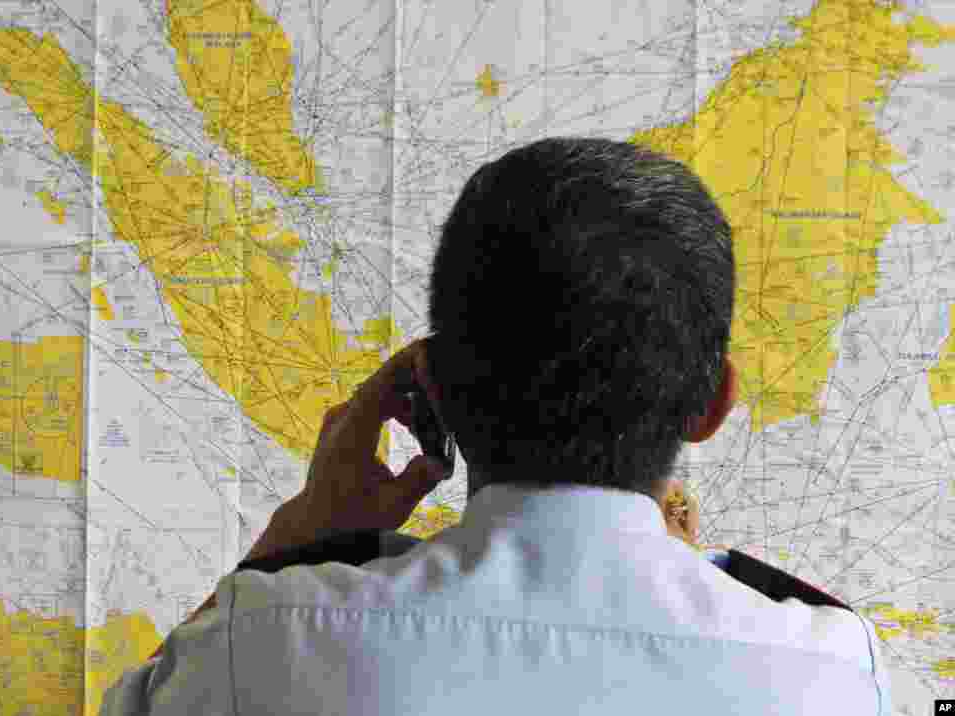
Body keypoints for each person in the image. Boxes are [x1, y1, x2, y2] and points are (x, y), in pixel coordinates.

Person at [101, 137, 892, 715]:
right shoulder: (838, 676)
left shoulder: (268, 642)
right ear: (713, 404)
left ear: (433, 393)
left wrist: (302, 531)